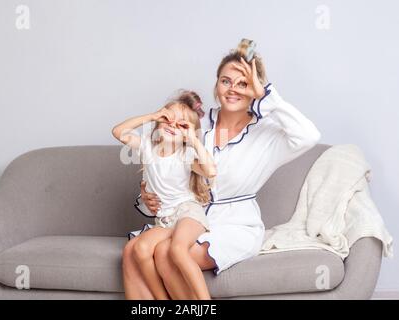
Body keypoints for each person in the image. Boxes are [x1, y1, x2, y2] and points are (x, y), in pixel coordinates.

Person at [122, 38, 321, 300]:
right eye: (226, 81)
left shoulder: (268, 134)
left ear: (256, 88)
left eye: (244, 84)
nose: (233, 89)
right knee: (132, 253)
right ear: (217, 84)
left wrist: (266, 96)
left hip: (234, 225)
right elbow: (161, 163)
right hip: (185, 217)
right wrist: (148, 199)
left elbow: (309, 136)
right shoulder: (194, 123)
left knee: (167, 254)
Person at [112, 90, 217, 299]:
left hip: (188, 213)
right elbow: (118, 131)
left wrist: (193, 140)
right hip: (165, 220)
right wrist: (151, 116)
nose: (173, 126)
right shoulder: (147, 147)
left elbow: (211, 171)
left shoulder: (185, 154)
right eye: (169, 119)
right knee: (140, 248)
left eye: (182, 125)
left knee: (177, 250)